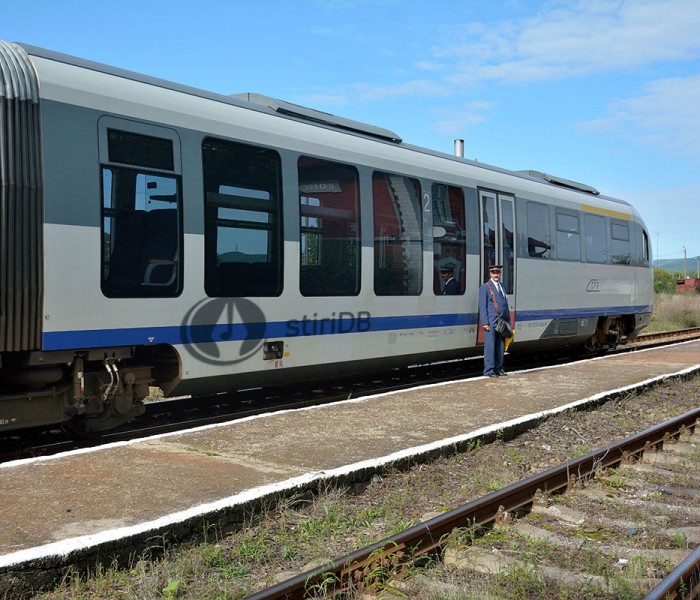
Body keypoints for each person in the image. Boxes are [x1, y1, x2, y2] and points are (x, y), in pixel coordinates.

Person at [478, 264, 510, 377]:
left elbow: (505, 304)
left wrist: (508, 321)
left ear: (500, 274)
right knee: (490, 346)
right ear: (490, 274)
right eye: (494, 272)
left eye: (498, 272)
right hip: (491, 322)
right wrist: (485, 323)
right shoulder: (485, 287)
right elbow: (482, 307)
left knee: (500, 346)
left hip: (502, 322)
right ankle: (489, 370)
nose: (496, 274)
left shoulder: (502, 286)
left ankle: (498, 368)